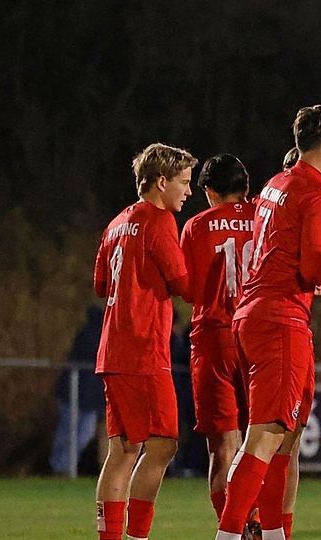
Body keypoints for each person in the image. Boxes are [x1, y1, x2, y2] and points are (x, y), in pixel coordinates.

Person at [214, 105, 321, 540]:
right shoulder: (317, 194)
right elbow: (315, 272)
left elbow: (295, 255)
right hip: (279, 320)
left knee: (283, 438)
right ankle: (227, 535)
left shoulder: (275, 185)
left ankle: (276, 534)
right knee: (263, 437)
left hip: (258, 314)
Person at [93, 143, 196, 540]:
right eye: (183, 183)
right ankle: (136, 536)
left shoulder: (116, 222)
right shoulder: (158, 221)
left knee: (122, 451)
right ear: (161, 182)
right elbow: (182, 283)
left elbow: (101, 284)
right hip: (143, 350)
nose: (187, 192)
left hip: (112, 350)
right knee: (164, 444)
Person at [179, 154, 255, 523]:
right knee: (263, 443)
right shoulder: (263, 217)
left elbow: (190, 289)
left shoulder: (196, 226)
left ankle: (232, 529)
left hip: (214, 338)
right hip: (259, 336)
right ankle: (263, 524)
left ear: (209, 191)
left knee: (223, 447)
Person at [50, 305, 105, 476]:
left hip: (79, 394)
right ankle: (62, 467)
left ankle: (62, 465)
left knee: (72, 430)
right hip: (78, 394)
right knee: (76, 430)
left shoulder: (88, 333)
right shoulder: (95, 336)